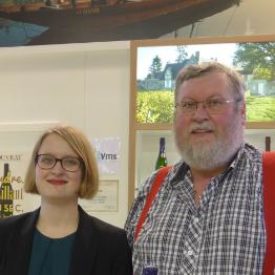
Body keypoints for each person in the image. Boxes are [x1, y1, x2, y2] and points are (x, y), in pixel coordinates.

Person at [125, 62, 266, 274]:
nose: (199, 116)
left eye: (214, 103)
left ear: (242, 112)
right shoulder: (152, 189)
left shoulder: (267, 180)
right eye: (188, 105)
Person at [0, 125, 132, 275]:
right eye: (47, 160)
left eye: (70, 162)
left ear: (85, 171)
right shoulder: (4, 234)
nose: (57, 170)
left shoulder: (112, 244)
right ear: (35, 167)